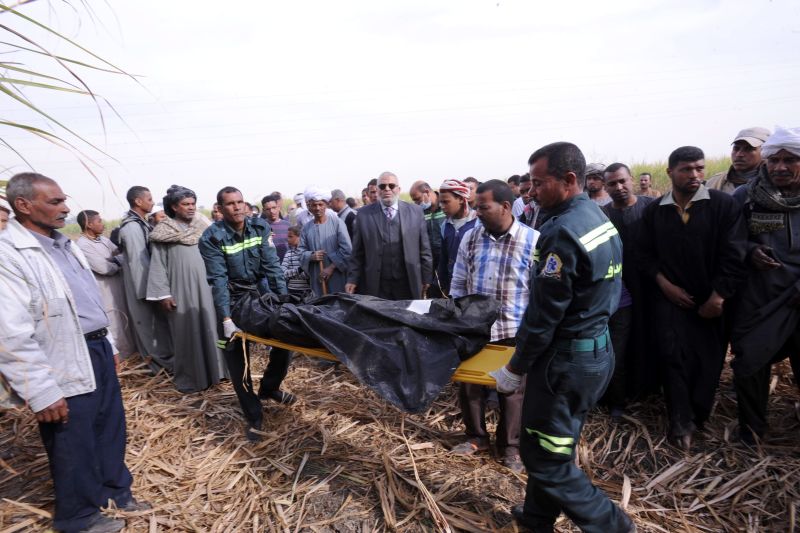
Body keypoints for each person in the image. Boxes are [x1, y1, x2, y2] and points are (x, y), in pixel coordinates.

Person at [489, 142, 634, 532]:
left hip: (565, 362)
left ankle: (614, 527)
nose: (531, 191)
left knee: (544, 458)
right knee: (552, 443)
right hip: (596, 351)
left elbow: (543, 316)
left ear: (569, 180)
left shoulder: (562, 232)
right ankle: (537, 520)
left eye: (539, 183)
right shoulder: (595, 216)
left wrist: (515, 368)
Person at [0, 173, 148, 533]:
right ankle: (78, 517)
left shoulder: (63, 245)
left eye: (63, 200)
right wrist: (40, 389)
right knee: (72, 436)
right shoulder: (10, 255)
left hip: (95, 346)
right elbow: (10, 331)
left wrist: (108, 343)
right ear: (23, 205)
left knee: (109, 424)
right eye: (55, 202)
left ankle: (114, 491)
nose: (66, 208)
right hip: (61, 355)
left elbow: (88, 300)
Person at [636, 146, 748, 449]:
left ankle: (699, 414)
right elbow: (644, 256)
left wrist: (718, 296)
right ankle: (680, 421)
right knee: (672, 357)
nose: (695, 175)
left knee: (707, 360)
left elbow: (735, 254)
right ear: (671, 172)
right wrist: (664, 285)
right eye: (686, 169)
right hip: (670, 300)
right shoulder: (655, 210)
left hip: (711, 302)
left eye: (699, 168)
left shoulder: (723, 206)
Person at [450, 180, 538, 474]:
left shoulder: (532, 240)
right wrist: (459, 317)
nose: (477, 213)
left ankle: (511, 447)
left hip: (513, 329)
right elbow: (459, 281)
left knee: (511, 391)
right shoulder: (471, 238)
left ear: (504, 206)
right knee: (470, 384)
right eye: (475, 207)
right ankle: (476, 437)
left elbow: (540, 292)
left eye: (482, 207)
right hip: (475, 328)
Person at [199, 187, 295, 441]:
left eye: (240, 202)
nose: (237, 207)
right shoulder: (212, 237)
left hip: (260, 293)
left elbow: (272, 266)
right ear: (219, 208)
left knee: (285, 339)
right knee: (236, 356)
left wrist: (284, 300)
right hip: (231, 299)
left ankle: (270, 387)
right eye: (230, 204)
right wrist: (226, 319)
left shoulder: (259, 228)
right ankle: (253, 413)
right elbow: (218, 279)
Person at [730, 126, 800, 444]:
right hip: (762, 298)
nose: (780, 167)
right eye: (774, 160)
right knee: (749, 362)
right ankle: (752, 431)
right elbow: (729, 241)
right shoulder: (747, 196)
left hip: (798, 297)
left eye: (790, 160)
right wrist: (750, 251)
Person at [146, 185, 227, 393]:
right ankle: (193, 378)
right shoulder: (163, 232)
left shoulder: (203, 226)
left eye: (193, 204)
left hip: (208, 288)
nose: (191, 208)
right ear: (174, 207)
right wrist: (164, 294)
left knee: (213, 326)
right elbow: (157, 266)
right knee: (187, 331)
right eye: (185, 204)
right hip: (182, 290)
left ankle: (220, 372)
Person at [601, 163, 656, 417]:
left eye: (622, 181)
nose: (618, 187)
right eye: (612, 184)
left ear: (632, 180)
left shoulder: (650, 208)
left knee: (647, 338)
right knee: (619, 347)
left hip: (650, 287)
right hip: (617, 292)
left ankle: (646, 389)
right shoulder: (602, 215)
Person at [345, 172, 433, 300]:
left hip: (407, 282)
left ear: (398, 189)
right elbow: (357, 253)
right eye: (382, 186)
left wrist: (426, 278)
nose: (387, 189)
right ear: (378, 190)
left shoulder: (415, 212)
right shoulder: (363, 215)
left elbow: (424, 249)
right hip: (377, 284)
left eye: (391, 186)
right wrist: (352, 279)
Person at [118, 186, 174, 373]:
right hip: (142, 286)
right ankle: (158, 366)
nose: (152, 202)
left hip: (149, 286)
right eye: (149, 199)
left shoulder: (141, 223)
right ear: (138, 202)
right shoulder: (132, 227)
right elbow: (138, 262)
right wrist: (150, 292)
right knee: (149, 328)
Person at [76, 210, 137, 359]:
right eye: (98, 221)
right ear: (88, 224)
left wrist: (115, 261)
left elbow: (121, 255)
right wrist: (117, 262)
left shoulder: (102, 240)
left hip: (118, 285)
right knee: (115, 323)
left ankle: (133, 354)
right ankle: (122, 359)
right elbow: (103, 268)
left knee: (126, 319)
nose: (102, 224)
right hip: (105, 289)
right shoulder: (82, 245)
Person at [299, 186, 352, 296]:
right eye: (314, 205)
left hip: (337, 275)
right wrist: (311, 256)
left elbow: (347, 250)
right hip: (316, 277)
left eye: (320, 204)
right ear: (309, 207)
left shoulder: (337, 223)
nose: (317, 208)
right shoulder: (306, 228)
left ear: (326, 205)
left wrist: (331, 268)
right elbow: (300, 252)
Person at [437, 179, 480, 296]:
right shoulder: (445, 225)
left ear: (461, 199)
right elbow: (444, 258)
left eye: (446, 202)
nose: (442, 206)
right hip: (453, 285)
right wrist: (443, 284)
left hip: (473, 285)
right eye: (440, 202)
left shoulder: (478, 222)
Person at [706, 127, 771, 194]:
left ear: (765, 152)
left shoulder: (775, 182)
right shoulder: (715, 182)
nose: (739, 154)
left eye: (748, 149)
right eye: (736, 149)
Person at [410, 180, 446, 296]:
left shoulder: (446, 205)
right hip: (429, 264)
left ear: (426, 192)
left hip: (445, 261)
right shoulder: (420, 212)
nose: (416, 203)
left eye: (417, 199)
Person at [281, 225, 312, 298]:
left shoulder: (309, 253)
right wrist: (298, 270)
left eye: (291, 237)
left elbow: (310, 274)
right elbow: (282, 273)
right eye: (288, 237)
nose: (288, 239)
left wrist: (292, 275)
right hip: (292, 291)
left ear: (300, 237)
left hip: (307, 291)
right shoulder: (289, 253)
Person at [261, 193, 290, 262]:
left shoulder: (288, 225)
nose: (271, 211)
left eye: (274, 208)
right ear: (263, 210)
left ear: (278, 207)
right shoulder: (261, 227)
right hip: (269, 266)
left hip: (287, 265)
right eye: (268, 209)